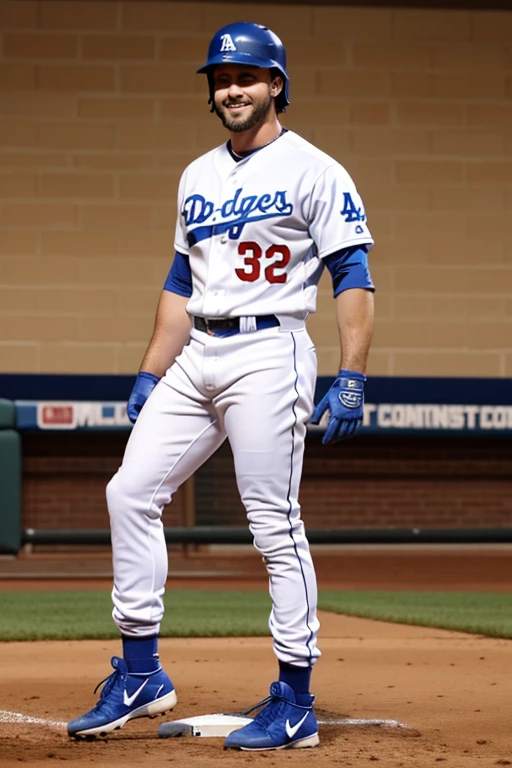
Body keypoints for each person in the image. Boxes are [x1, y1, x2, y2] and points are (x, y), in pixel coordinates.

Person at [67, 21, 375, 751]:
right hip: (198, 350)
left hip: (271, 351)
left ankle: (295, 701)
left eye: (245, 76)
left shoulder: (315, 169)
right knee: (129, 492)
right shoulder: (197, 174)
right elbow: (182, 282)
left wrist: (353, 372)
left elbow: (353, 275)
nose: (230, 88)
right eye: (220, 78)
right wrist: (150, 369)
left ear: (276, 84)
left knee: (273, 523)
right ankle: (141, 673)